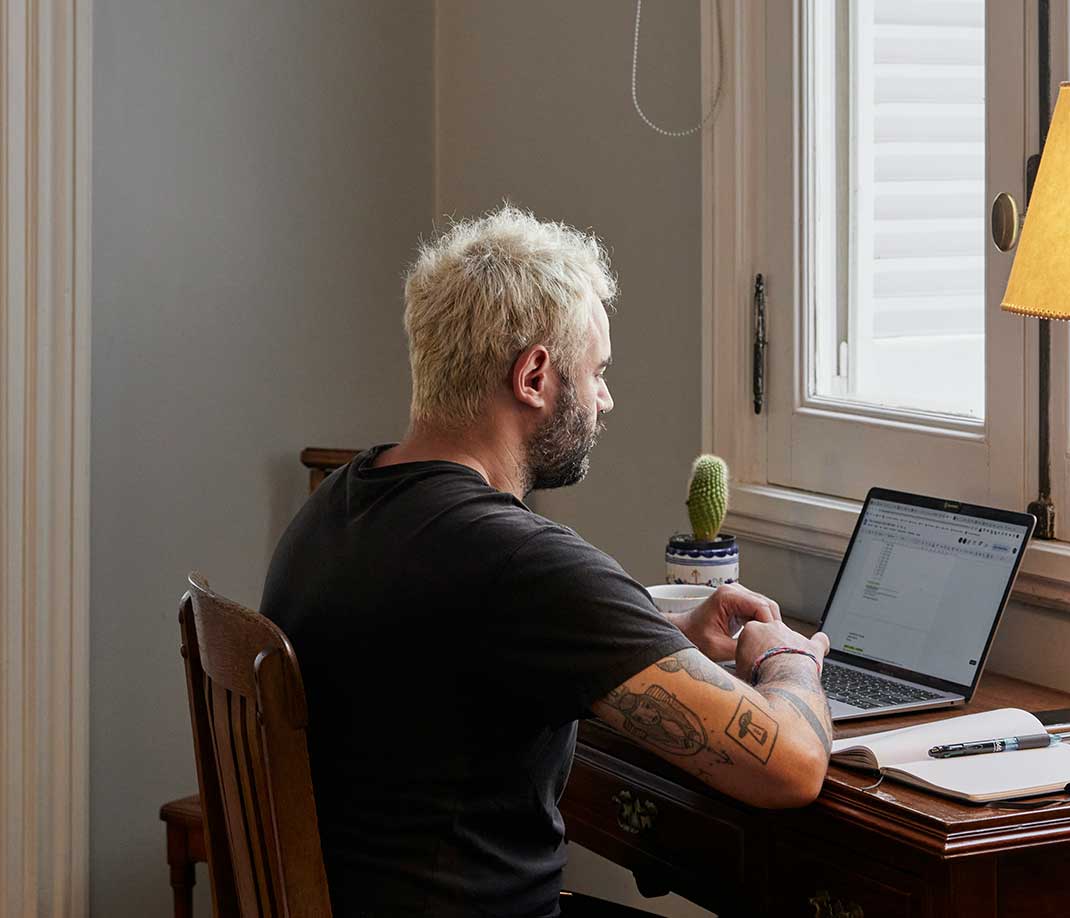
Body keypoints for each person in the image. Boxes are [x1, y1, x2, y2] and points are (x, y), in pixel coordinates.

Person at [261, 204, 833, 917]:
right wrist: (788, 659)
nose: (605, 399)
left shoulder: (339, 506)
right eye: (596, 372)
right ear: (534, 375)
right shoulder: (519, 563)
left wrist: (658, 644)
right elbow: (794, 767)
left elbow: (453, 665)